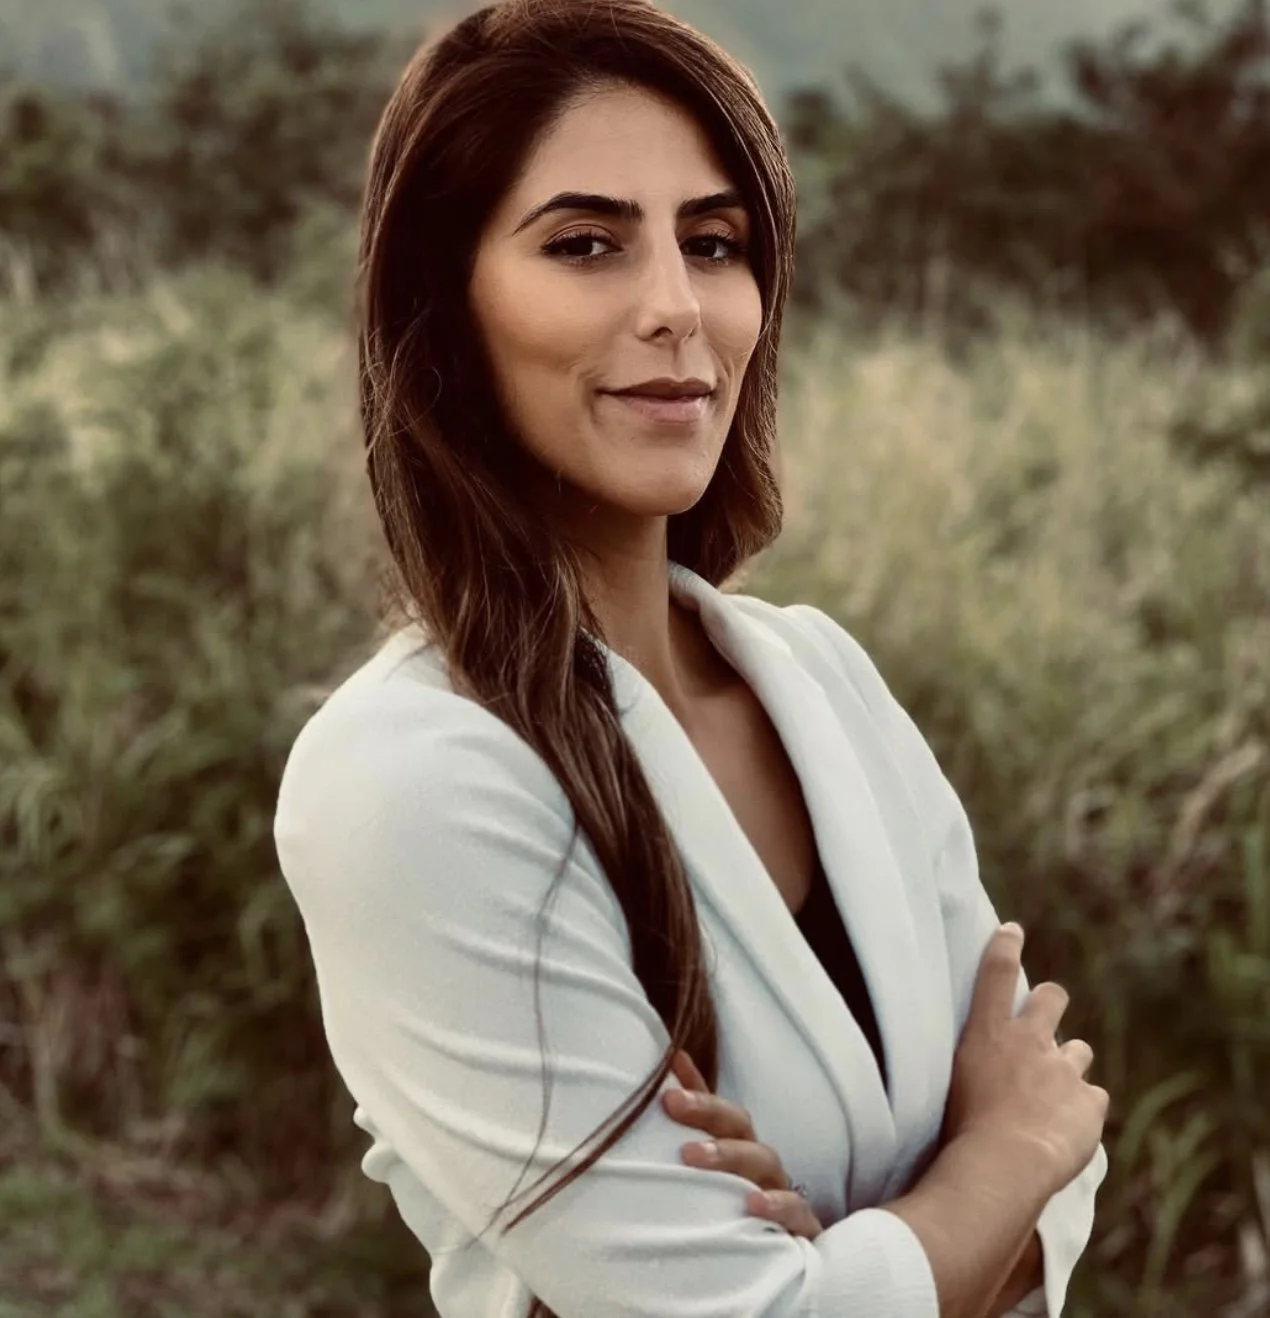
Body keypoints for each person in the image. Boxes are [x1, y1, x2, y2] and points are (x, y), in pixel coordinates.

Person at [271, 2, 1109, 1315]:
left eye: (713, 243)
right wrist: (988, 1165)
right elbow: (1018, 1151)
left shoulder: (821, 681)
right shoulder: (409, 775)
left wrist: (869, 1249)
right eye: (586, 243)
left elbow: (1067, 1139)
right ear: (443, 300)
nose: (675, 305)